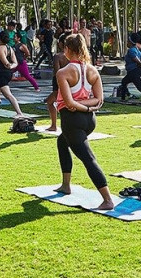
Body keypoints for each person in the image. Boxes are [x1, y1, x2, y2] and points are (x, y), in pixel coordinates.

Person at [53, 33, 116, 209]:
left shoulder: (63, 72)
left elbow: (69, 103)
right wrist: (87, 107)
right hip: (89, 120)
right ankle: (66, 185)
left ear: (67, 49)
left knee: (88, 158)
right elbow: (98, 100)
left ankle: (107, 199)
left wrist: (80, 107)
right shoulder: (92, 70)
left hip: (73, 120)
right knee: (62, 141)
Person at [0, 31, 28, 117]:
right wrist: (11, 66)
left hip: (2, 74)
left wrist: (8, 65)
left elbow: (5, 62)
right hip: (7, 73)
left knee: (8, 95)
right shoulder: (9, 48)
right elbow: (15, 63)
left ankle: (19, 113)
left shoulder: (0, 48)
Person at [117, 32, 141, 104]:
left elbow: (139, 61)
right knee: (124, 82)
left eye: (128, 41)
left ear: (131, 42)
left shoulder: (131, 50)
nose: (127, 43)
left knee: (140, 88)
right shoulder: (136, 49)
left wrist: (140, 64)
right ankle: (123, 98)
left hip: (134, 72)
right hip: (133, 71)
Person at [42, 45, 70, 133]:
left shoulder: (58, 56)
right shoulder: (73, 55)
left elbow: (57, 71)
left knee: (51, 102)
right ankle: (54, 125)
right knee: (53, 102)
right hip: (70, 80)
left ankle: (54, 125)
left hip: (59, 81)